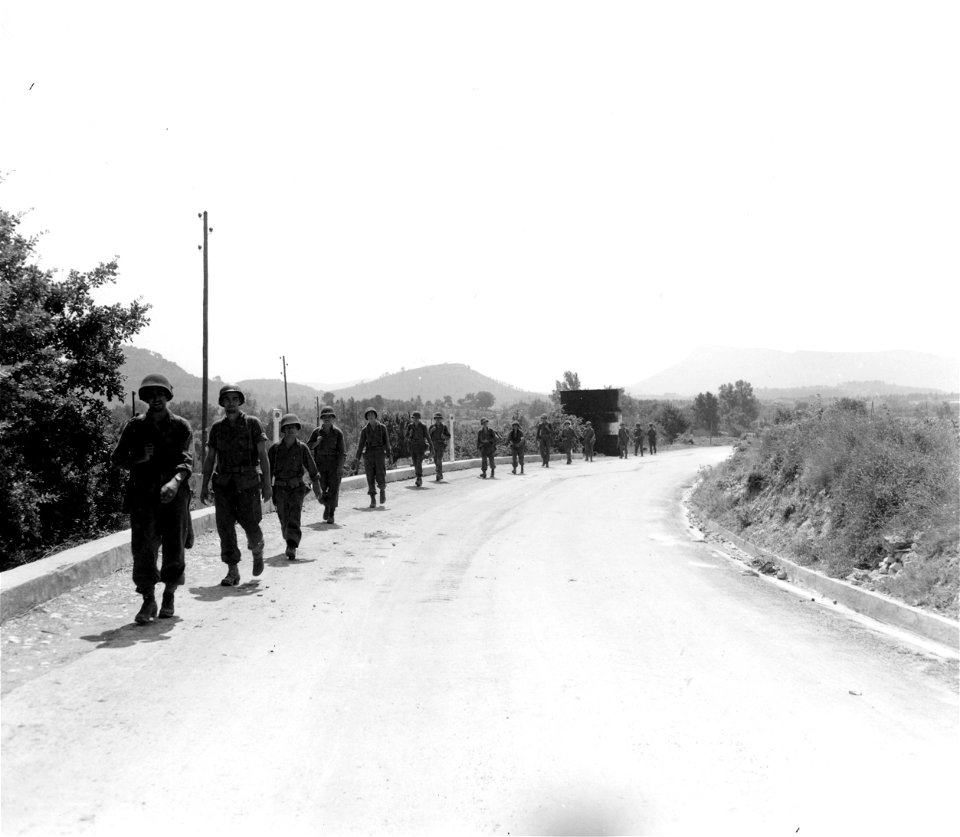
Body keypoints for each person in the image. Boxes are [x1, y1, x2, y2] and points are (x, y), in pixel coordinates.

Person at [111, 374, 193, 624]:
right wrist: (138, 457)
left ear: (168, 396)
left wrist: (175, 481)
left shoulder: (181, 426)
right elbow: (117, 459)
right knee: (144, 549)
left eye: (160, 394)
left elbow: (187, 459)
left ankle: (169, 593)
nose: (155, 399)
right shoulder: (135, 426)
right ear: (145, 399)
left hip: (174, 496)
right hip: (143, 497)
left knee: (174, 546)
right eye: (150, 395)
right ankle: (148, 598)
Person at [200, 384, 272, 586]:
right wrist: (204, 485)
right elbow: (210, 458)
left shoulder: (252, 424)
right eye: (227, 399)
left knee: (251, 524)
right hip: (224, 484)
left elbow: (263, 456)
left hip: (248, 483)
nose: (230, 403)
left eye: (234, 399)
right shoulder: (217, 428)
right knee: (225, 528)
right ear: (222, 403)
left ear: (240, 401)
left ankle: (257, 550)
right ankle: (232, 570)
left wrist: (267, 484)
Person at [268, 414, 322, 560]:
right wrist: (266, 488)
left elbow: (311, 467)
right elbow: (268, 469)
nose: (291, 430)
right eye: (287, 427)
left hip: (297, 487)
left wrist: (317, 486)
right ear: (283, 430)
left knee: (294, 516)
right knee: (283, 517)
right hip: (279, 488)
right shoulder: (275, 449)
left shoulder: (302, 448)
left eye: (293, 427)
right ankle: (289, 538)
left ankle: (291, 545)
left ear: (297, 430)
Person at [308, 406, 347, 523]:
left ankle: (331, 513)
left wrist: (340, 467)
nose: (327, 418)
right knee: (321, 489)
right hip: (320, 465)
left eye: (329, 416)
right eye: (324, 416)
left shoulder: (338, 433)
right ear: (321, 418)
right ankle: (326, 506)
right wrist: (317, 442)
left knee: (334, 490)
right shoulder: (316, 432)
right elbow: (308, 447)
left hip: (334, 465)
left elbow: (342, 453)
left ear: (333, 418)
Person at [355, 407, 392, 507]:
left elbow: (387, 443)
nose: (370, 416)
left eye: (372, 414)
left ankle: (382, 490)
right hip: (369, 455)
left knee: (381, 474)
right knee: (370, 477)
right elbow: (361, 445)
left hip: (380, 454)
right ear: (367, 417)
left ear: (375, 416)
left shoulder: (382, 428)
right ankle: (372, 499)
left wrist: (389, 455)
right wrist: (357, 459)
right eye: (368, 415)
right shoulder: (365, 430)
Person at [405, 411, 431, 487]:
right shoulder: (410, 426)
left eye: (417, 418)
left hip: (421, 447)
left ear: (419, 418)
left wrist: (431, 447)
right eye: (414, 418)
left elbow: (428, 437)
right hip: (413, 447)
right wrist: (409, 434)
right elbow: (406, 436)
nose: (415, 419)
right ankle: (418, 477)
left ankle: (419, 478)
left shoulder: (423, 426)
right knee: (415, 463)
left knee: (419, 462)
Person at [428, 412, 451, 482]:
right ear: (435, 419)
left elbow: (449, 436)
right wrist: (431, 431)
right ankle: (439, 473)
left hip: (441, 445)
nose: (438, 420)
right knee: (435, 460)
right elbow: (428, 436)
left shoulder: (444, 427)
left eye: (439, 418)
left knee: (439, 460)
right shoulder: (431, 427)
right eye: (436, 418)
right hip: (434, 445)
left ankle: (438, 474)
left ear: (441, 419)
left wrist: (444, 436)